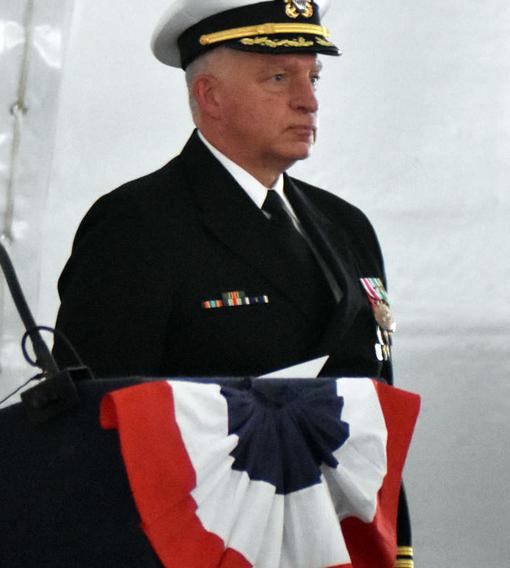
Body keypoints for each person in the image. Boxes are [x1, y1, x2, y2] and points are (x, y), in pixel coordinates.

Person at [54, 1, 411, 566]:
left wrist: (395, 550)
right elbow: (99, 431)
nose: (309, 99)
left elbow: (372, 425)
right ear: (211, 97)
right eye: (278, 77)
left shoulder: (347, 229)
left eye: (313, 77)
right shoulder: (137, 226)